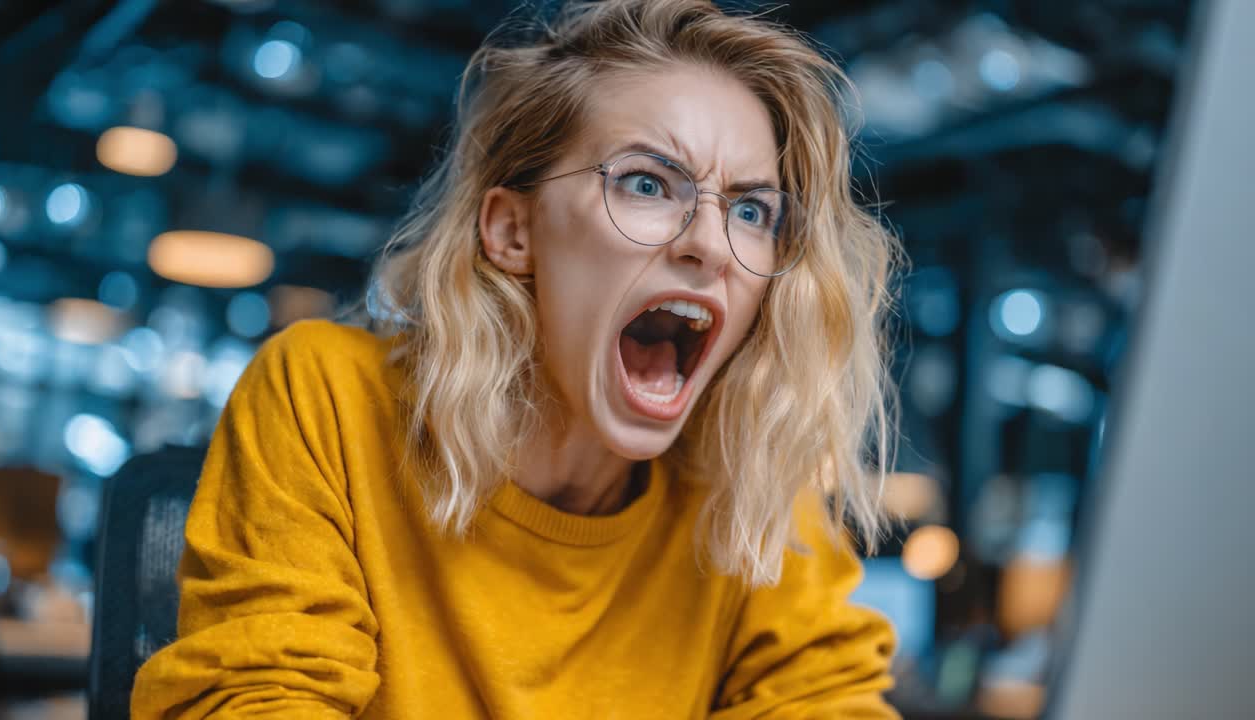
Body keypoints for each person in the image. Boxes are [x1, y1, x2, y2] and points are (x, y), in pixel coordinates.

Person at [131, 0, 904, 716]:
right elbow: (261, 696)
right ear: (512, 233)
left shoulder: (746, 476)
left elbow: (827, 697)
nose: (709, 244)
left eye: (750, 210)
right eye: (646, 183)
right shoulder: (328, 395)